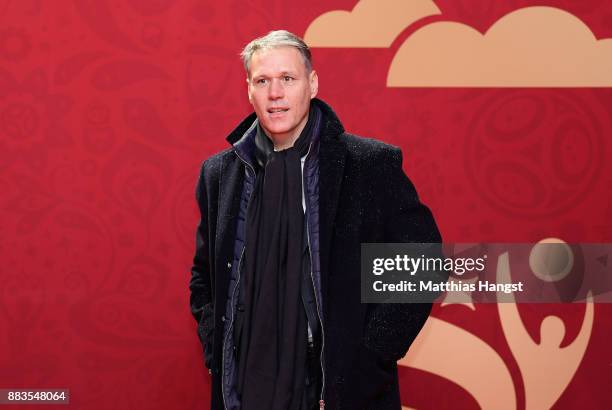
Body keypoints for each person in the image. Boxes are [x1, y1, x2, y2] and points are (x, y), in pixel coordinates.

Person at [189, 30, 442, 410]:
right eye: (263, 81)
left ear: (312, 83)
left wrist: (366, 361)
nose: (275, 93)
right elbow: (204, 275)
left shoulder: (369, 165)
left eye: (287, 79)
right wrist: (216, 348)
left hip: (337, 392)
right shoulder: (219, 175)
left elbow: (422, 265)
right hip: (243, 392)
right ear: (249, 90)